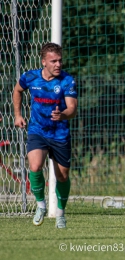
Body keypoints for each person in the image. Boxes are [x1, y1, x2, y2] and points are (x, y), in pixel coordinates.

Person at [13, 42, 78, 228]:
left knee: (63, 176)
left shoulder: (67, 81)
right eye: (54, 61)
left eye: (60, 61)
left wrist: (63, 114)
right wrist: (18, 115)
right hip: (37, 130)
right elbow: (17, 91)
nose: (58, 64)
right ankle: (40, 205)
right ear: (44, 62)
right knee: (35, 166)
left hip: (60, 133)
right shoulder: (30, 77)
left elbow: (72, 108)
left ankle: (60, 214)